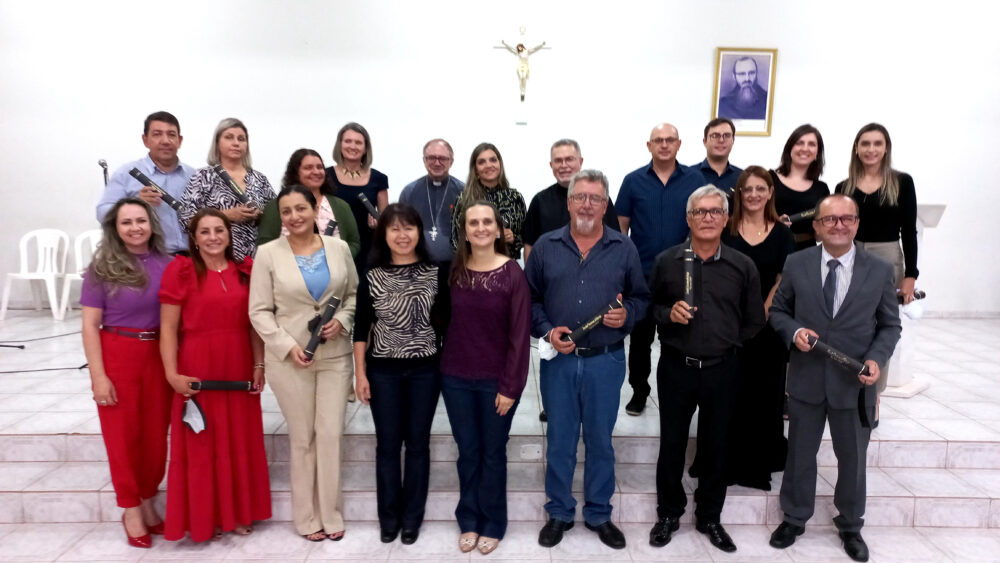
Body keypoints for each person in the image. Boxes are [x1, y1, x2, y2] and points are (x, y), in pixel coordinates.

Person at [768, 194, 901, 563]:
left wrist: (876, 359)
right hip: (807, 380)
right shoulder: (797, 263)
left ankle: (850, 523)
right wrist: (793, 332)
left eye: (847, 219)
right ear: (816, 226)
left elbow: (890, 325)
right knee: (799, 455)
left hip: (855, 384)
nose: (839, 225)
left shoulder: (878, 270)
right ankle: (794, 518)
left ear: (857, 224)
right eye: (830, 220)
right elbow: (779, 312)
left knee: (853, 459)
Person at [526, 170, 649, 551]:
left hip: (605, 361)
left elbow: (641, 298)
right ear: (568, 202)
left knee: (600, 440)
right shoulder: (546, 246)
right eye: (580, 197)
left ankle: (598, 512)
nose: (587, 205)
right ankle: (560, 511)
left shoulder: (623, 248)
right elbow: (528, 302)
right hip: (559, 362)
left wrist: (627, 314)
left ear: (606, 204)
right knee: (561, 440)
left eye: (595, 198)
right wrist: (548, 331)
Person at [648, 185, 764, 554]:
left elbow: (754, 320)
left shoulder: (742, 266)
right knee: (672, 444)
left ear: (726, 218)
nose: (708, 218)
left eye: (716, 211)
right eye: (700, 212)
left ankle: (710, 516)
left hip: (722, 369)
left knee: (717, 446)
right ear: (688, 218)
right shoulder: (666, 261)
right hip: (676, 367)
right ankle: (669, 513)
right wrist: (668, 314)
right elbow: (649, 309)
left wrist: (727, 342)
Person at [249, 185, 358, 542]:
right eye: (286, 211)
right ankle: (306, 518)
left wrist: (341, 320)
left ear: (315, 210)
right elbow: (259, 311)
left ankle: (331, 513)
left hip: (334, 356)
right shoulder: (268, 254)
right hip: (290, 359)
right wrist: (284, 345)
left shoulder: (339, 248)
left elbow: (353, 294)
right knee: (302, 437)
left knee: (329, 434)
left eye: (301, 208)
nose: (294, 216)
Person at [159, 208, 271, 542]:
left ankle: (237, 513)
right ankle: (206, 516)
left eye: (219, 230)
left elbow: (254, 324)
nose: (212, 237)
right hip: (198, 366)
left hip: (237, 365)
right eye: (204, 231)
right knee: (202, 444)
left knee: (238, 441)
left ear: (229, 233)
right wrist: (171, 374)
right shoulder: (180, 271)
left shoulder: (245, 272)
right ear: (194, 238)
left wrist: (259, 364)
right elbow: (167, 329)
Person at [353, 204, 449, 545]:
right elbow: (361, 327)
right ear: (384, 233)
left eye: (409, 227)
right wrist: (360, 374)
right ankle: (389, 518)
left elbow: (448, 324)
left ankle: (412, 519)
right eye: (394, 228)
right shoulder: (372, 273)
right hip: (383, 371)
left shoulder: (436, 271)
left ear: (419, 232)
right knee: (388, 446)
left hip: (426, 369)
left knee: (418, 444)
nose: (402, 235)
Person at [80, 198, 173, 548]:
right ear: (115, 229)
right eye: (126, 223)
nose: (135, 228)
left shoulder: (169, 265)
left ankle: (149, 500)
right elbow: (90, 326)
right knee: (122, 438)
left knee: (153, 436)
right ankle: (130, 508)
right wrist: (98, 377)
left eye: (140, 220)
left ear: (152, 223)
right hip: (119, 354)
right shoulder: (101, 268)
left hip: (158, 356)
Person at [439, 201, 530, 555]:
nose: (479, 227)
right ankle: (469, 519)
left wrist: (510, 387)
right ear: (464, 230)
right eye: (473, 222)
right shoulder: (453, 271)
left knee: (492, 453)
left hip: (496, 382)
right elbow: (444, 321)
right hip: (456, 377)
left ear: (497, 229)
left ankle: (493, 522)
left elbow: (520, 337)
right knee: (468, 452)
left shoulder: (512, 274)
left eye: (486, 222)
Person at [615, 123, 707, 416]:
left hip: (683, 275)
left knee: (676, 337)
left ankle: (675, 393)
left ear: (679, 144)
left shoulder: (696, 180)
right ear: (649, 145)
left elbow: (706, 225)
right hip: (641, 275)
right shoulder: (632, 181)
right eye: (658, 140)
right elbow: (620, 230)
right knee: (640, 340)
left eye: (670, 140)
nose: (664, 145)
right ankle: (640, 391)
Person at [721, 167, 795, 489]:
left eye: (759, 189)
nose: (753, 195)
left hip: (767, 325)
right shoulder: (727, 228)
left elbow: (783, 278)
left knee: (764, 393)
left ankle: (758, 461)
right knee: (729, 393)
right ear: (738, 193)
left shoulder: (782, 233)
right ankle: (726, 460)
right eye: (746, 189)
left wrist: (762, 310)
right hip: (730, 325)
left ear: (769, 193)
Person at [836, 123, 918, 308]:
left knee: (886, 318)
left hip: (887, 257)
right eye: (865, 144)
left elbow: (908, 231)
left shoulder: (902, 182)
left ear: (886, 148)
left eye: (877, 144)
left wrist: (911, 275)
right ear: (856, 148)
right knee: (850, 316)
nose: (871, 149)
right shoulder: (843, 187)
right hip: (851, 257)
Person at [96, 111, 196, 255]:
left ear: (180, 140)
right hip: (148, 258)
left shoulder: (194, 176)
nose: (165, 141)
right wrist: (135, 203)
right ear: (145, 140)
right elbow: (102, 213)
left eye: (171, 135)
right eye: (157, 134)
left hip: (193, 259)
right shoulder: (126, 173)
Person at [177, 118, 275, 261]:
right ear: (217, 143)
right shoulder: (203, 176)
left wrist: (260, 214)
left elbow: (276, 218)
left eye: (241, 139)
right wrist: (226, 215)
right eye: (229, 137)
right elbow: (186, 219)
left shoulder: (259, 179)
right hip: (214, 260)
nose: (236, 143)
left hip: (257, 262)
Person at [522, 139, 619, 262]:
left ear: (580, 161)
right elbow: (529, 244)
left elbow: (615, 239)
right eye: (558, 161)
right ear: (551, 165)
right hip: (550, 276)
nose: (564, 165)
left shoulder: (599, 199)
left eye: (569, 159)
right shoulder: (539, 201)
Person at [257, 148, 361, 258]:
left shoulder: (341, 206)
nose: (316, 172)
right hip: (287, 272)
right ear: (296, 173)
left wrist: (337, 257)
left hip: (334, 272)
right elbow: (264, 244)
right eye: (308, 168)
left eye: (320, 167)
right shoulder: (276, 207)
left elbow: (354, 242)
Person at [326, 122, 389, 273]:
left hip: (368, 249)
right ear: (339, 145)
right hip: (333, 246)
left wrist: (379, 224)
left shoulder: (378, 178)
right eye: (348, 141)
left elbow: (386, 220)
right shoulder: (324, 176)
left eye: (358, 142)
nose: (353, 146)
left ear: (365, 148)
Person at [450, 143, 527, 261]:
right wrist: (496, 235)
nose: (488, 165)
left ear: (499, 164)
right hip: (473, 267)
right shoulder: (464, 199)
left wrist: (513, 238)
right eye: (482, 162)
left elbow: (526, 238)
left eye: (493, 160)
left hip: (507, 267)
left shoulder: (515, 198)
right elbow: (455, 240)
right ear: (475, 170)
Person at [398, 139, 464, 263]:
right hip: (418, 267)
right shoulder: (409, 191)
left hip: (456, 267)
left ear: (451, 162)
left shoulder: (464, 191)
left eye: (442, 158)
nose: (437, 163)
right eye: (431, 158)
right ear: (424, 160)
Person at [771, 124, 830, 250]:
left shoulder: (822, 189)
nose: (805, 148)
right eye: (800, 143)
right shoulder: (768, 179)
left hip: (806, 252)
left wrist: (823, 228)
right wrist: (774, 222)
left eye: (812, 144)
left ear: (817, 153)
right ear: (790, 148)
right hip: (772, 247)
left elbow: (819, 236)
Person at [698, 118, 743, 196]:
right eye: (715, 136)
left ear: (733, 140)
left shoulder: (742, 177)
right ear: (705, 141)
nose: (721, 140)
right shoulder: (688, 176)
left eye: (727, 135)